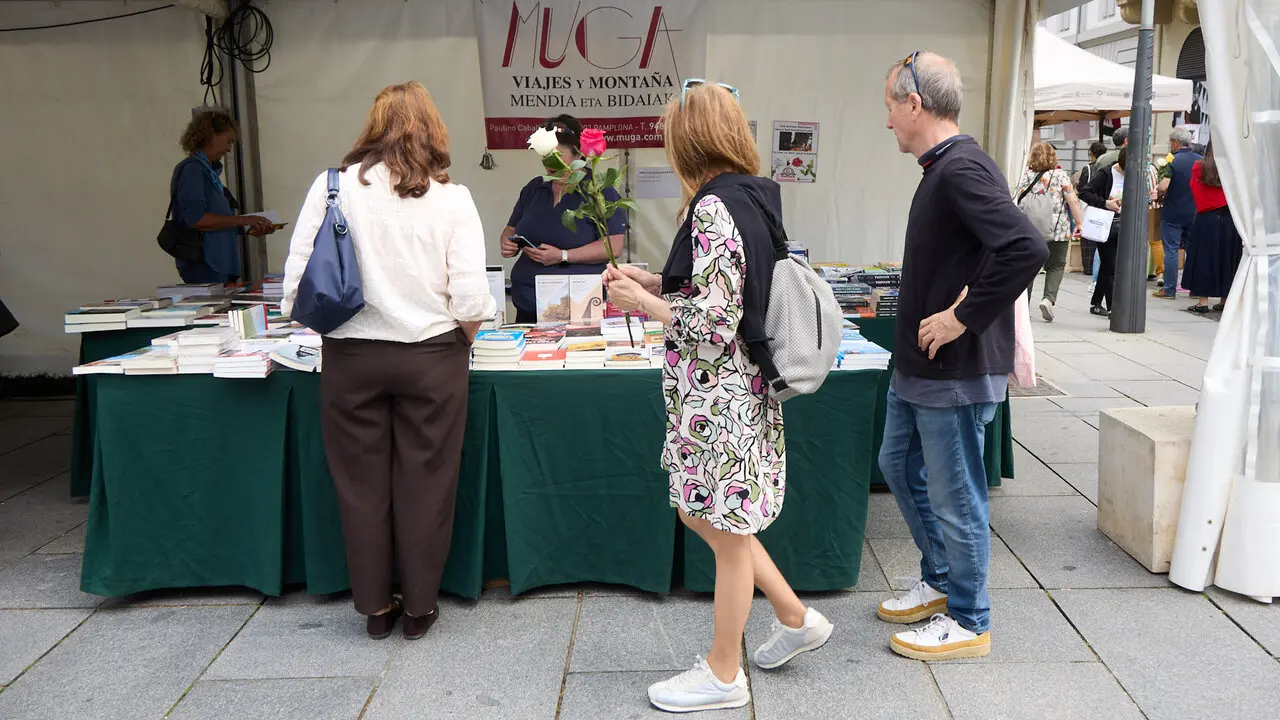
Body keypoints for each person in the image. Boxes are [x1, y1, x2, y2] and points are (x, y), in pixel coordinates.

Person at [602, 81, 832, 713]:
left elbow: (713, 321)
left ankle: (724, 675)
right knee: (705, 514)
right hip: (737, 390)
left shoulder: (710, 207)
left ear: (689, 142)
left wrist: (641, 302)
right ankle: (793, 617)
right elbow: (727, 291)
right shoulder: (753, 198)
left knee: (725, 531)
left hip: (717, 394)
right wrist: (655, 279)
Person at [281, 82, 497, 641]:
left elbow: (296, 286)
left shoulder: (331, 188)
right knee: (428, 484)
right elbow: (471, 298)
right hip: (432, 354)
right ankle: (420, 607)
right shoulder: (454, 198)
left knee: (360, 487)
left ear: (372, 126)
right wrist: (459, 340)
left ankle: (376, 608)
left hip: (350, 356)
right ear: (434, 130)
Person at [877, 51, 1046, 661]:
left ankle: (969, 619)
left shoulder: (960, 169)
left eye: (890, 107)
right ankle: (941, 580)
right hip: (921, 367)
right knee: (897, 463)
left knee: (957, 495)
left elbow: (1026, 246)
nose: (887, 120)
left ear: (914, 104)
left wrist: (959, 318)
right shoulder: (945, 168)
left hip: (953, 369)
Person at [499, 115, 626, 323]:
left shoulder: (598, 190)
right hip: (528, 305)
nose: (550, 163)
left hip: (577, 307)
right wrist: (507, 242)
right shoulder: (534, 188)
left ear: (578, 153)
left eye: (557, 155)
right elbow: (510, 228)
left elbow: (614, 246)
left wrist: (564, 256)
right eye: (545, 156)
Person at [170, 111, 276, 283]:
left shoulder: (208, 172)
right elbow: (196, 219)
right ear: (210, 135)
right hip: (206, 263)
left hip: (221, 262)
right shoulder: (193, 170)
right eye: (228, 141)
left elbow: (219, 220)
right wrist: (243, 221)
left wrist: (252, 227)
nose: (228, 149)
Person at [1012, 142, 1084, 322]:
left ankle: (1023, 307)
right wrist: (1079, 222)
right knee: (1057, 264)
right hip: (1057, 229)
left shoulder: (1024, 175)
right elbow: (1072, 201)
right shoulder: (1060, 176)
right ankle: (1048, 299)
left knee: (1028, 267)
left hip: (1027, 229)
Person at [1182, 143, 1243, 313]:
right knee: (1228, 258)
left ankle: (1203, 301)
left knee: (1204, 259)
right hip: (1229, 217)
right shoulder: (1231, 168)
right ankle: (1224, 299)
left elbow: (1194, 188)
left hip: (1206, 218)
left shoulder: (1198, 167)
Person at [1154, 127, 1203, 299]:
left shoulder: (1172, 162)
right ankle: (1195, 289)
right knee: (1193, 250)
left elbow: (1163, 186)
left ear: (1175, 143)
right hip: (1196, 212)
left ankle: (1169, 289)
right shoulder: (1201, 161)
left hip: (1174, 212)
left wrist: (1160, 194)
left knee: (1172, 250)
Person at [1076, 141, 1108, 280]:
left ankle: (1088, 267)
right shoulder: (1108, 168)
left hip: (1089, 205)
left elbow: (1081, 188)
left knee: (1088, 236)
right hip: (1104, 204)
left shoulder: (1088, 169)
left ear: (1092, 153)